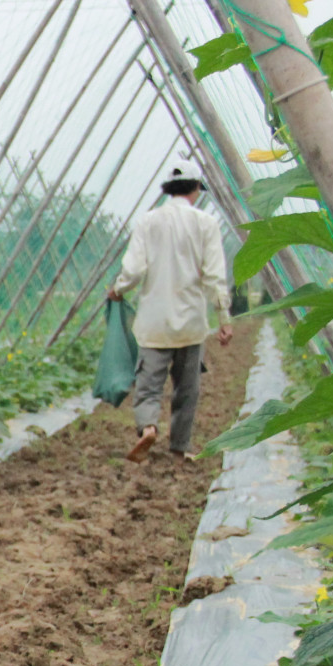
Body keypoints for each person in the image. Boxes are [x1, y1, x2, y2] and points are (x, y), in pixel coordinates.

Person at [107, 164, 233, 462]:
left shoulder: (148, 222)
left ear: (167, 190)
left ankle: (149, 427)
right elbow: (215, 276)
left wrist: (118, 289)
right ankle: (179, 447)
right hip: (191, 323)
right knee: (186, 390)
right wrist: (224, 319)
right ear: (195, 190)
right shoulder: (206, 224)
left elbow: (135, 269)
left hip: (154, 323)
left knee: (149, 386)